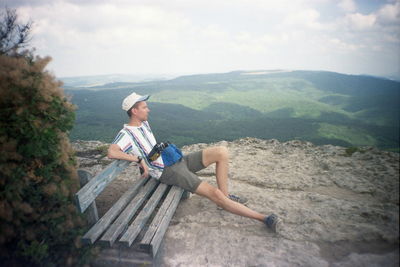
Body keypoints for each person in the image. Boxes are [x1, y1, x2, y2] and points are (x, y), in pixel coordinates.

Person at [107, 92, 281, 232]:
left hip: (176, 160)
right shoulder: (127, 134)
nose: (149, 110)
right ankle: (264, 218)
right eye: (145, 107)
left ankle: (227, 198)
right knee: (215, 195)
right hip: (168, 171)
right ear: (134, 111)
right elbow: (111, 152)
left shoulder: (143, 124)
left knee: (221, 152)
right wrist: (137, 159)